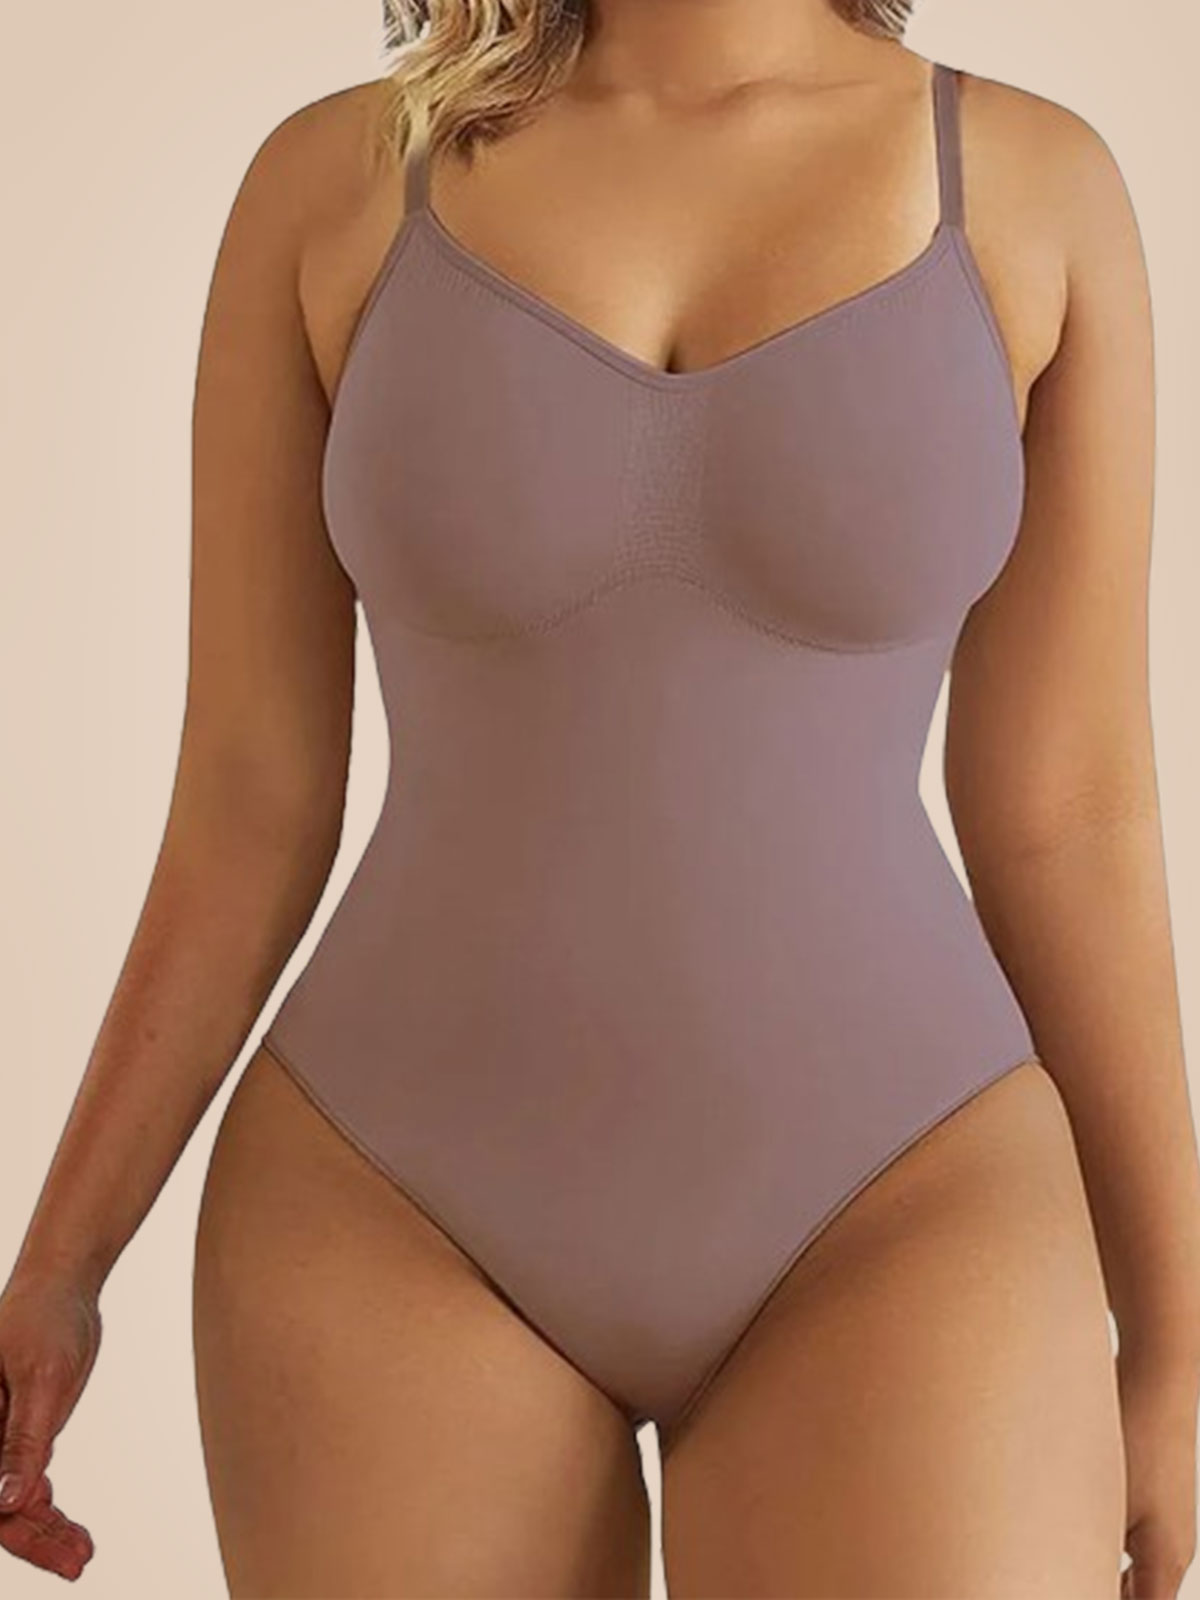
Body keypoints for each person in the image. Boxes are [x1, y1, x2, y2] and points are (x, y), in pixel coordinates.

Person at [3, 0, 1198, 1593]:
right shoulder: (335, 183)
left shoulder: (1035, 188)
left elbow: (1069, 813)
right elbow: (250, 797)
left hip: (911, 1196)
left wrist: (1177, 1337)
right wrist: (61, 1266)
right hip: (389, 1200)